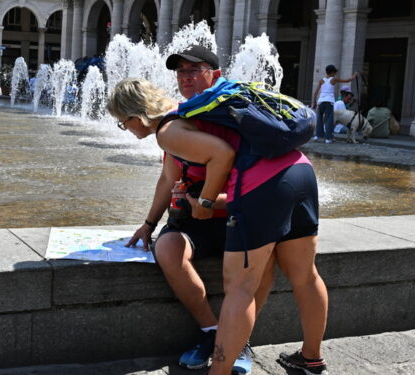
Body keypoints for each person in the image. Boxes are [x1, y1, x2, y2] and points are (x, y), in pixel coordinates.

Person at [108, 78, 328, 375]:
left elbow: (222, 154)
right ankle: (311, 359)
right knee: (305, 275)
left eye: (123, 123)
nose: (127, 129)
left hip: (264, 185)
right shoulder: (191, 112)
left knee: (240, 288)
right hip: (300, 170)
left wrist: (207, 202)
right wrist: (150, 223)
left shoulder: (168, 131)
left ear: (136, 116)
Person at [123, 45, 264, 374]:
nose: (185, 77)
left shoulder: (237, 116)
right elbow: (167, 178)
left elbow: (253, 175)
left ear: (214, 74)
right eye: (180, 72)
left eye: (193, 70)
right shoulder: (179, 120)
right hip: (196, 217)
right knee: (168, 248)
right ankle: (212, 331)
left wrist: (210, 202)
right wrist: (148, 223)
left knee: (247, 275)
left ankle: (237, 340)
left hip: (235, 212)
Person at [312, 65, 357, 143]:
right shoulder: (334, 79)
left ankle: (317, 136)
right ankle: (327, 138)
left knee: (319, 119)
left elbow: (315, 93)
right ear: (332, 72)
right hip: (329, 102)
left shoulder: (321, 80)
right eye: (335, 72)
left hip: (321, 101)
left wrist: (314, 102)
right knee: (329, 120)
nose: (335, 73)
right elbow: (347, 80)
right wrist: (354, 76)